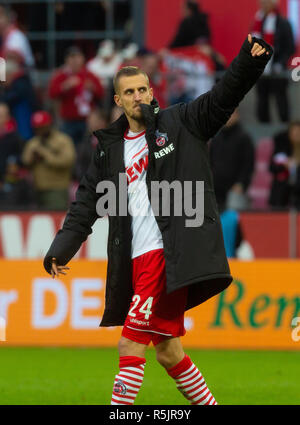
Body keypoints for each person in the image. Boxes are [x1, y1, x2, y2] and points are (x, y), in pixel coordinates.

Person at [43, 35, 272, 405]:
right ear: (118, 100)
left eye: (142, 89)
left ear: (152, 92)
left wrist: (249, 59)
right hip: (136, 259)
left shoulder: (181, 123)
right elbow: (85, 204)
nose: (138, 96)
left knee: (130, 343)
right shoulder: (109, 151)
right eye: (129, 92)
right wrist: (61, 248)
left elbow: (223, 96)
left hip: (167, 254)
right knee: (168, 351)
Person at [49, 46, 105, 146]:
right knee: (67, 146)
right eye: (71, 57)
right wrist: (65, 86)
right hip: (68, 120)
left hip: (87, 120)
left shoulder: (89, 75)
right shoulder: (61, 76)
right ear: (67, 60)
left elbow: (101, 94)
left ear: (82, 58)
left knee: (89, 145)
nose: (75, 60)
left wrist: (92, 88)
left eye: (77, 57)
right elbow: (52, 93)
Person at [22, 111, 76, 210]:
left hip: (57, 189)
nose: (40, 130)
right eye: (37, 128)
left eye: (42, 127)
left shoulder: (63, 140)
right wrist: (32, 158)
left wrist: (46, 156)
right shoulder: (33, 142)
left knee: (56, 217)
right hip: (37, 189)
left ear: (49, 125)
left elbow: (68, 161)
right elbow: (25, 162)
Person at [251, 0, 295, 122]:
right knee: (262, 106)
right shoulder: (257, 23)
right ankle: (264, 136)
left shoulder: (283, 23)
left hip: (277, 72)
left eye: (266, 2)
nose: (263, 5)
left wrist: (280, 63)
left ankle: (286, 133)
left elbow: (290, 47)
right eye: (261, 3)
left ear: (273, 4)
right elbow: (252, 45)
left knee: (281, 105)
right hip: (261, 71)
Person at [209, 109, 255, 212]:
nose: (228, 117)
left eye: (231, 114)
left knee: (233, 219)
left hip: (235, 188)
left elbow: (248, 164)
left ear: (237, 116)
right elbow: (210, 160)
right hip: (216, 187)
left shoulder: (244, 138)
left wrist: (241, 183)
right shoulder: (217, 138)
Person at [0, 50, 36, 140]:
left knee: (24, 137)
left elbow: (12, 97)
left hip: (24, 118)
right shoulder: (16, 83)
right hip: (18, 120)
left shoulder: (21, 82)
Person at [269, 121, 300, 209]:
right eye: (294, 132)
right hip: (281, 191)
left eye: (298, 133)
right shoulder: (281, 149)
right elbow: (271, 168)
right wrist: (284, 165)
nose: (296, 135)